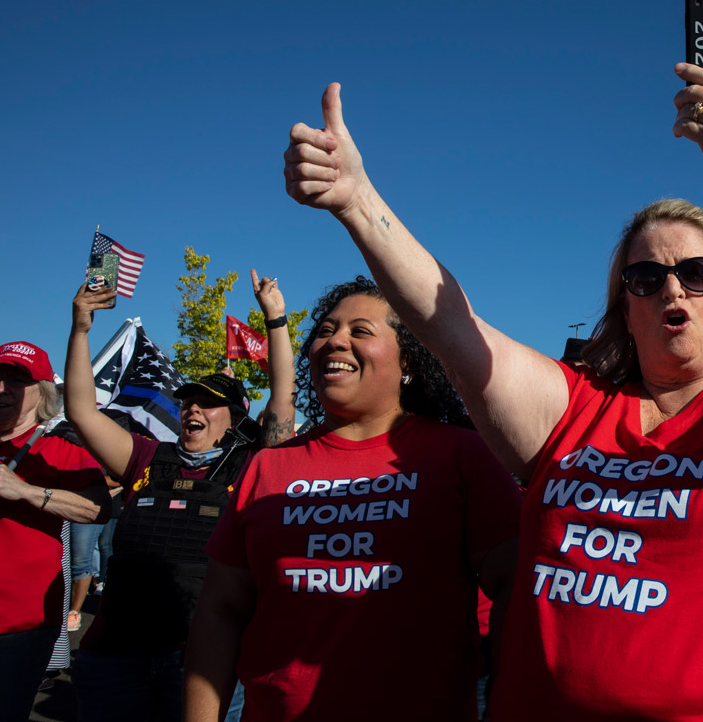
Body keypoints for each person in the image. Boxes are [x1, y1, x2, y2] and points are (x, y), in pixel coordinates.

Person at [281, 63, 703, 720]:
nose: (671, 289)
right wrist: (355, 200)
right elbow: (450, 324)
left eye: (696, 272)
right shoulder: (574, 407)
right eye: (646, 277)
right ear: (624, 306)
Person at [184, 277, 522, 722]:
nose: (335, 341)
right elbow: (221, 610)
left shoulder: (463, 455)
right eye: (325, 330)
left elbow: (515, 592)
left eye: (360, 331)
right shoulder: (268, 467)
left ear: (411, 362)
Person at [65, 272, 295, 722]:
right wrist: (80, 328)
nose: (191, 408)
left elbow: (282, 401)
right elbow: (80, 410)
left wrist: (276, 319)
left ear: (233, 418)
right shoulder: (146, 457)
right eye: (187, 401)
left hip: (202, 665)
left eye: (206, 403)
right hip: (114, 658)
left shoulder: (252, 466)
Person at [0, 341, 110, 722]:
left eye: (16, 380)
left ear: (43, 392)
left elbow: (98, 508)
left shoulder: (58, 449)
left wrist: (25, 491)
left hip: (18, 625)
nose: (1, 388)